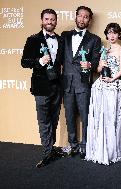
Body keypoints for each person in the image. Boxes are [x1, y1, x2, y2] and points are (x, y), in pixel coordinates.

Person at [21, 8, 65, 168]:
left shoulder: (61, 40)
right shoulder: (33, 39)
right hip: (41, 87)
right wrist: (39, 61)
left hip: (57, 86)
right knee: (43, 121)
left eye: (52, 19)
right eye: (47, 19)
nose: (50, 22)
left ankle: (51, 148)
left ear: (56, 21)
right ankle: (47, 152)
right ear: (42, 20)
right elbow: (24, 62)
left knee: (53, 120)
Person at [85, 23, 121, 165]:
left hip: (115, 86)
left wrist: (112, 79)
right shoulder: (104, 50)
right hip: (101, 87)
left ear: (119, 35)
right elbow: (98, 69)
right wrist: (102, 64)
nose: (111, 36)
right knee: (101, 117)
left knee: (114, 117)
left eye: (114, 33)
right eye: (109, 33)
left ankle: (112, 150)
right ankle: (100, 149)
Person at [61, 6, 101, 159]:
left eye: (86, 17)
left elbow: (96, 60)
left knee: (86, 116)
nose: (82, 19)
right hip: (67, 82)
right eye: (80, 16)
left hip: (84, 83)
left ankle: (85, 145)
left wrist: (91, 64)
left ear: (89, 20)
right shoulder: (64, 36)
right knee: (69, 116)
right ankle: (73, 145)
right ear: (75, 17)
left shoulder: (95, 39)